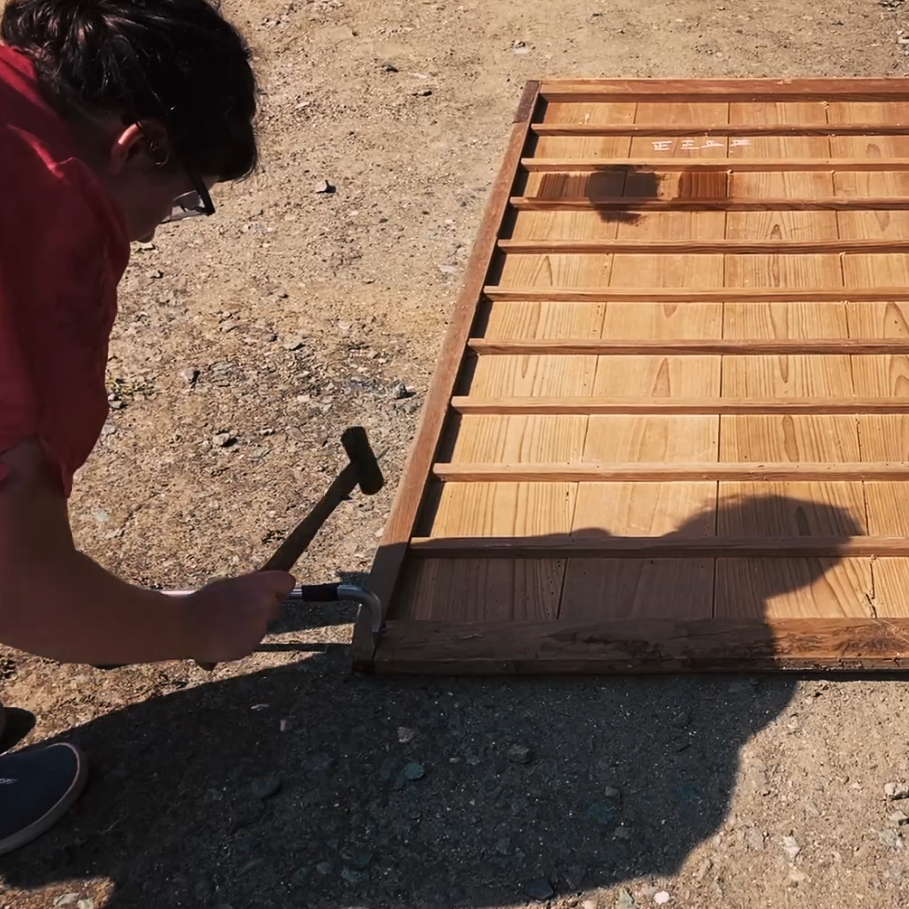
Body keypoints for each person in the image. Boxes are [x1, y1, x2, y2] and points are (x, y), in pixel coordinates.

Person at [0, 0, 297, 857]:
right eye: (185, 192)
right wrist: (195, 625)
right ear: (142, 145)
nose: (172, 215)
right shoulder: (36, 214)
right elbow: (15, 578)